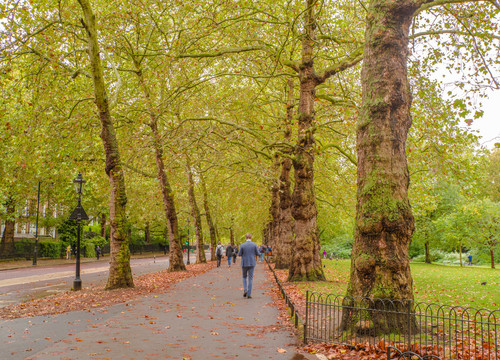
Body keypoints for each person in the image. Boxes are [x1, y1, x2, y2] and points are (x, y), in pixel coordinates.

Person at [238, 233, 260, 299]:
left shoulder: (242, 245)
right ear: (251, 238)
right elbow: (258, 253)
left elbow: (239, 254)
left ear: (245, 238)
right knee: (250, 278)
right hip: (251, 263)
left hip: (244, 263)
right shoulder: (254, 245)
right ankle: (249, 293)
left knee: (244, 277)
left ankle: (245, 290)